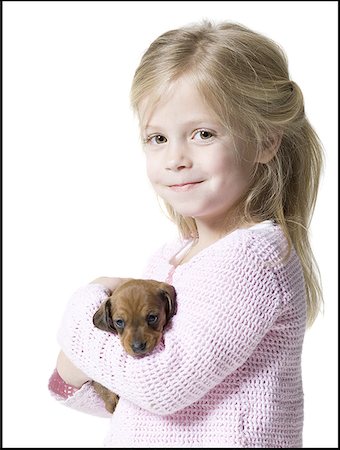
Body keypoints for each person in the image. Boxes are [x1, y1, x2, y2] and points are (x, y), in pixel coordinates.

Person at [48, 20, 323, 448]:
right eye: (157, 137)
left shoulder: (254, 260)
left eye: (203, 134)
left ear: (266, 142)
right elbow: (127, 401)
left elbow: (161, 385)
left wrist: (82, 309)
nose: (175, 158)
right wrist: (77, 366)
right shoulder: (170, 259)